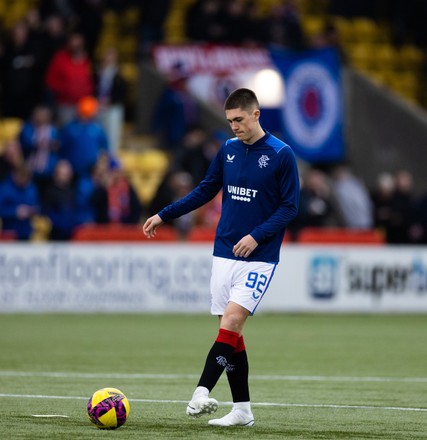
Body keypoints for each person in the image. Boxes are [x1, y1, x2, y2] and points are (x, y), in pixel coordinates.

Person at [143, 88, 300, 427]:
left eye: (239, 120)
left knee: (231, 323)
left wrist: (256, 235)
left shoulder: (280, 154)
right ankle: (242, 410)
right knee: (231, 335)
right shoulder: (227, 150)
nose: (234, 127)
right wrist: (164, 214)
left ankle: (201, 391)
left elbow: (290, 206)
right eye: (229, 121)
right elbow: (205, 189)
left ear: (256, 114)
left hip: (259, 257)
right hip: (224, 252)